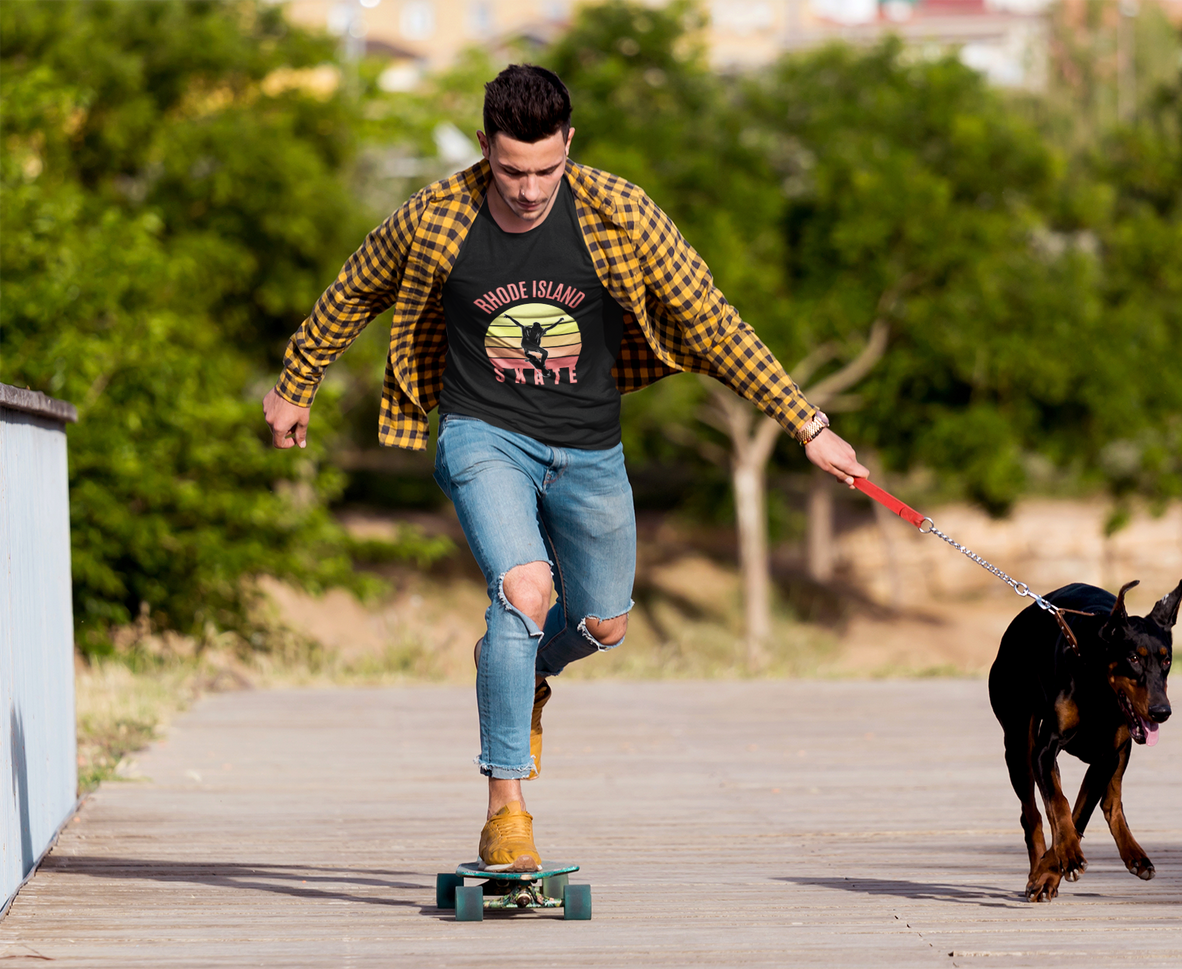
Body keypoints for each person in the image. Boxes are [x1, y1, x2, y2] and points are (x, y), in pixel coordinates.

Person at [262, 64, 868, 872]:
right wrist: (295, 382)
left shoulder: (621, 214)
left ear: (568, 145)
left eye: (546, 169)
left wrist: (806, 422)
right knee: (522, 589)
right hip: (481, 434)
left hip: (589, 447)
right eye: (511, 170)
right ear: (485, 148)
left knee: (602, 623)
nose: (527, 189)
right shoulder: (435, 216)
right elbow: (354, 288)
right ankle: (506, 810)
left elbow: (714, 323)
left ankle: (520, 669)